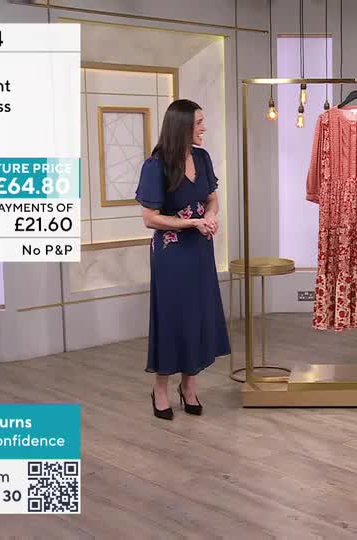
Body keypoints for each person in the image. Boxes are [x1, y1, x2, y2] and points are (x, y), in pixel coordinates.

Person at [135, 99, 230, 420]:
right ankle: (160, 388)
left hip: (200, 249)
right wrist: (192, 223)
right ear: (182, 126)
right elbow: (150, 219)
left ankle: (189, 386)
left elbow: (212, 198)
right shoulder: (155, 165)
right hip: (171, 253)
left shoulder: (202, 158)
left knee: (197, 315)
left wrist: (211, 216)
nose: (204, 128)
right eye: (199, 122)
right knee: (172, 317)